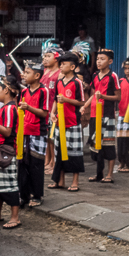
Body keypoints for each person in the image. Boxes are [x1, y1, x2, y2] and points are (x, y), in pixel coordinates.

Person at [0, 76, 22, 230]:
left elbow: (7, 132)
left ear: (7, 90)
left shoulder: (9, 109)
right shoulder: (6, 108)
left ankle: (15, 217)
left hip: (5, 150)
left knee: (9, 184)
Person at [49, 52, 85, 192]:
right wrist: (52, 113)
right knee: (59, 152)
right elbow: (55, 100)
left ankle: (75, 181)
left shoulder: (77, 83)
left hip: (73, 121)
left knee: (74, 152)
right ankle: (60, 180)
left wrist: (67, 100)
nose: (61, 66)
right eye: (61, 64)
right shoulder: (59, 82)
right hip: (59, 122)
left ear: (72, 67)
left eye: (64, 64)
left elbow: (81, 102)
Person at [84, 48, 119, 184]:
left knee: (108, 145)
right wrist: (85, 106)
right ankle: (99, 174)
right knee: (96, 145)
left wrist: (103, 96)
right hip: (94, 114)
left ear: (110, 61)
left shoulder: (113, 76)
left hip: (107, 115)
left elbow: (118, 97)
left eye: (102, 59)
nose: (99, 62)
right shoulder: (94, 76)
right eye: (98, 59)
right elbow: (93, 95)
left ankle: (110, 174)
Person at [17, 61, 50, 209]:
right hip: (24, 131)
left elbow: (44, 113)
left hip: (38, 132)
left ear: (37, 76)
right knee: (23, 164)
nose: (24, 75)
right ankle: (23, 195)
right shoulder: (23, 92)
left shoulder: (44, 91)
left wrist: (29, 107)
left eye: (27, 72)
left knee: (36, 165)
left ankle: (37, 195)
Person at [39, 40, 62, 174]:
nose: (45, 59)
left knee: (52, 137)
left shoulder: (59, 73)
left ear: (56, 57)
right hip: (44, 107)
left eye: (48, 56)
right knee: (47, 136)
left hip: (53, 108)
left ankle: (53, 162)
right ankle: (47, 160)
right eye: (44, 56)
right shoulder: (44, 71)